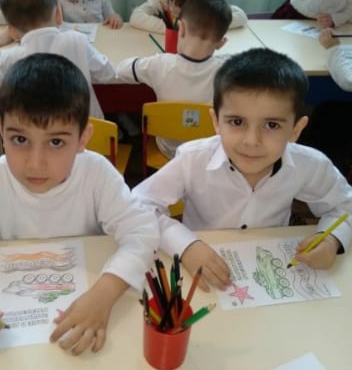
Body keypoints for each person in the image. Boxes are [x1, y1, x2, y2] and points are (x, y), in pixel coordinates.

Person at [0, 53, 159, 355]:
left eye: (56, 142)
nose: (35, 163)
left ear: (83, 138)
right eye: (20, 140)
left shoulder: (97, 174)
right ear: (1, 131)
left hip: (86, 310)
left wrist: (105, 293)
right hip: (16, 338)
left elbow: (142, 232)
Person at [133, 48, 352, 292]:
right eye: (237, 122)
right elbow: (138, 205)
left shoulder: (309, 164)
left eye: (271, 125)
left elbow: (345, 205)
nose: (251, 141)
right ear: (216, 121)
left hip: (269, 274)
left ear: (295, 130)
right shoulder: (193, 159)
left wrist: (333, 239)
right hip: (201, 274)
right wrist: (185, 245)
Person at [0, 0, 115, 119]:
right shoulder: (77, 41)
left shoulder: (12, 57)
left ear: (11, 31)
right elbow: (108, 74)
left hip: (40, 132)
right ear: (58, 15)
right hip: (89, 130)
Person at [118, 0, 232, 158]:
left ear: (181, 28)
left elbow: (121, 70)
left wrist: (147, 59)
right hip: (205, 152)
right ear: (221, 43)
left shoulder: (159, 65)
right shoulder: (227, 72)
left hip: (168, 149)